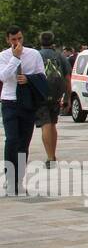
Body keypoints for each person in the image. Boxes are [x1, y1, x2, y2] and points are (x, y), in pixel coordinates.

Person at [1, 26, 47, 195]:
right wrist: (15, 58)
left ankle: (18, 180)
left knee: (23, 143)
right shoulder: (3, 56)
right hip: (9, 101)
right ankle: (9, 178)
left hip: (27, 102)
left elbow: (41, 76)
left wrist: (28, 79)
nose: (17, 42)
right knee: (11, 140)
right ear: (8, 40)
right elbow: (3, 77)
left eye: (19, 38)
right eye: (13, 39)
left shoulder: (34, 54)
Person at [35, 31, 69, 167]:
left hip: (41, 94)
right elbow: (67, 78)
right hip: (56, 94)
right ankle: (53, 154)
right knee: (53, 123)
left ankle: (49, 157)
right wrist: (67, 97)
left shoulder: (36, 56)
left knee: (45, 124)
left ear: (40, 41)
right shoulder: (60, 56)